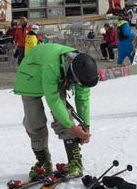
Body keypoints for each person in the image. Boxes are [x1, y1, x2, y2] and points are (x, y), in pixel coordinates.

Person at [14, 43, 98, 179]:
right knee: (34, 120)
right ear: (71, 74)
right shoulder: (53, 66)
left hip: (57, 75)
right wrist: (72, 127)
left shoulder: (83, 71)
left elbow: (83, 99)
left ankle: (74, 161)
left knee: (64, 115)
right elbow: (53, 100)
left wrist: (85, 125)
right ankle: (43, 161)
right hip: (30, 76)